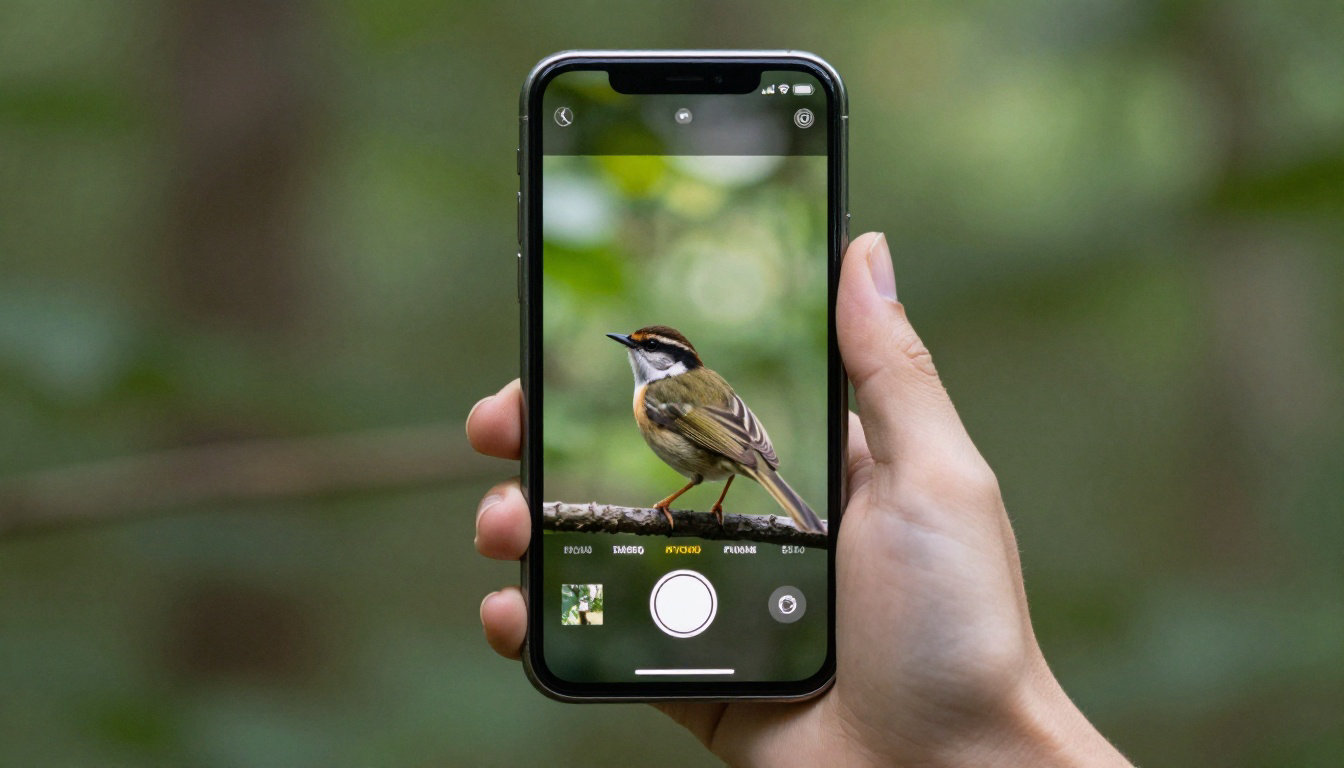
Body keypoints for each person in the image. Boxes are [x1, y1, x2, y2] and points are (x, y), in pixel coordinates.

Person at [466, 232, 1133, 767]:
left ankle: (712, 505)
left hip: (721, 455)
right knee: (722, 481)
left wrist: (700, 488)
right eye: (634, 346)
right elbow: (739, 430)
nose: (636, 353)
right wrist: (746, 460)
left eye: (649, 348)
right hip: (743, 454)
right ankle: (742, 507)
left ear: (672, 360)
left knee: (698, 481)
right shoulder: (691, 388)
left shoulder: (659, 398)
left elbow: (711, 439)